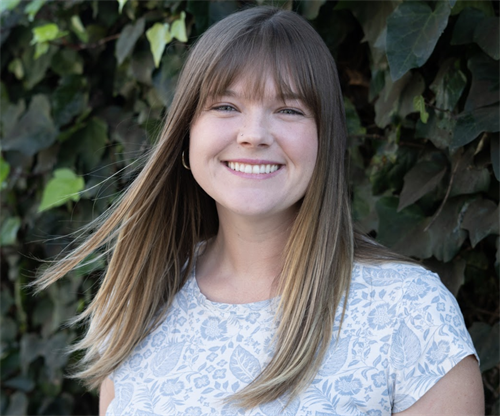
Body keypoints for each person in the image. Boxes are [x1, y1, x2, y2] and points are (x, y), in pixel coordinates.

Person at [35, 6, 484, 416]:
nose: (253, 134)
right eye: (226, 106)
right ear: (185, 136)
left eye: (289, 109)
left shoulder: (410, 312)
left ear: (325, 141)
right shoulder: (139, 299)